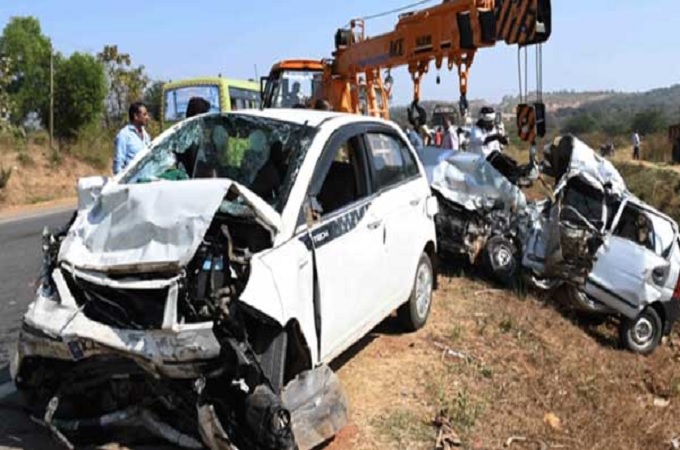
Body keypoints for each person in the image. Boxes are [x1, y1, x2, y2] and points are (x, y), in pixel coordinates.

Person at [113, 102, 151, 175]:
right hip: (132, 179)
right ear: (136, 116)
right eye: (144, 114)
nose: (147, 117)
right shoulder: (124, 135)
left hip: (147, 178)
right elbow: (119, 162)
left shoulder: (146, 135)